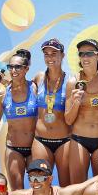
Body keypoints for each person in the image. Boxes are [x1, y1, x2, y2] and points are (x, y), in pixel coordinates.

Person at [0, 49, 37, 190]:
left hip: (35, 148)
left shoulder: (35, 87)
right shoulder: (3, 92)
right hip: (13, 149)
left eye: (18, 67)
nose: (13, 70)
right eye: (10, 67)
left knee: (39, 190)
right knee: (17, 193)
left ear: (26, 68)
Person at [64, 38, 98, 182]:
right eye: (82, 54)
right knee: (77, 190)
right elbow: (68, 119)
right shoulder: (73, 82)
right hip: (78, 140)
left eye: (89, 53)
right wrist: (76, 102)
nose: (85, 57)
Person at [32, 38, 72, 186]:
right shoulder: (39, 77)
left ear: (62, 55)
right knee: (39, 185)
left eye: (54, 53)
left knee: (66, 187)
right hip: (41, 141)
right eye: (46, 54)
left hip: (64, 141)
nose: (50, 57)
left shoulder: (70, 81)